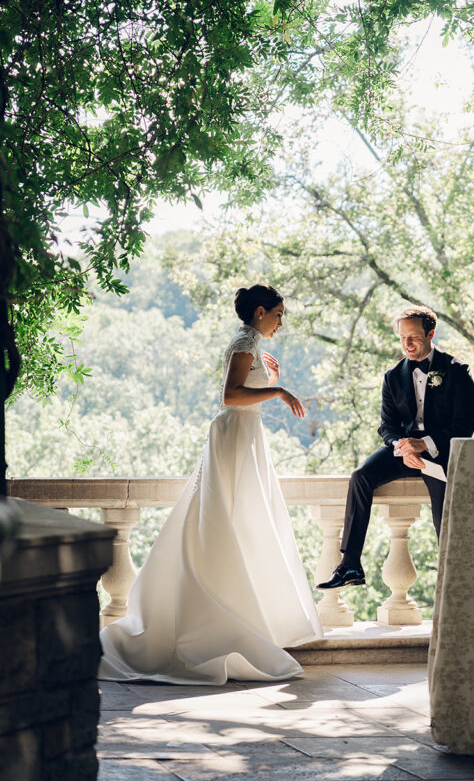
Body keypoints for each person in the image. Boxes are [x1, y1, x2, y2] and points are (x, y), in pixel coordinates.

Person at [98, 284, 322, 684]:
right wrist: (278, 390)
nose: (281, 322)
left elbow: (245, 389)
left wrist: (270, 377)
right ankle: (214, 621)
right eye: (279, 314)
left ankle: (247, 615)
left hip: (246, 436)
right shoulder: (242, 341)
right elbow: (231, 395)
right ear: (260, 311)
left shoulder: (249, 342)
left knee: (249, 524)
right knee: (226, 521)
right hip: (233, 436)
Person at [317, 305, 474, 590]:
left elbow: (464, 426)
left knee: (444, 506)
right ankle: (350, 563)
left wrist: (424, 444)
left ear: (431, 333)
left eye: (414, 337)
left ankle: (454, 578)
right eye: (403, 338)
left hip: (441, 452)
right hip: (403, 451)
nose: (407, 344)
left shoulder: (458, 371)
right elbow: (386, 426)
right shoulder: (393, 376)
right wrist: (402, 446)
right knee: (361, 476)